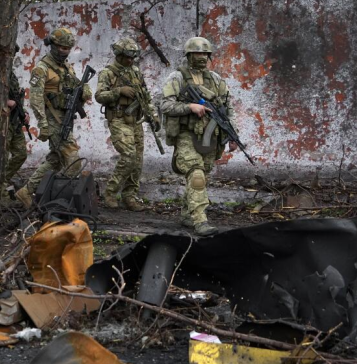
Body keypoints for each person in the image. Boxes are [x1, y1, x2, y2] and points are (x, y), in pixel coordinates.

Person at [160, 37, 238, 236]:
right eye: (197, 53)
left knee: (204, 172)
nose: (201, 57)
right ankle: (200, 221)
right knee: (196, 174)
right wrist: (189, 107)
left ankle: (188, 214)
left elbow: (228, 109)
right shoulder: (177, 77)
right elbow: (165, 105)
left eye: (204, 54)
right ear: (189, 55)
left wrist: (232, 135)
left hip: (210, 136)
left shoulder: (216, 79)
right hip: (187, 134)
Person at [15, 28, 92, 208]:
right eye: (61, 47)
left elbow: (77, 85)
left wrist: (84, 90)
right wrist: (43, 124)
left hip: (66, 117)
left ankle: (26, 191)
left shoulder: (66, 67)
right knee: (72, 160)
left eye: (68, 48)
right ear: (53, 46)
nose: (64, 51)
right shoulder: (41, 69)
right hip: (53, 121)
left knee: (55, 161)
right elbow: (35, 99)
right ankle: (63, 198)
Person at [94, 38, 155, 212]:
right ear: (119, 55)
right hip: (118, 119)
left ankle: (130, 196)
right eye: (127, 57)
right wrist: (118, 91)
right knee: (128, 155)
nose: (130, 61)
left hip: (135, 120)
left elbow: (146, 96)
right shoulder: (108, 73)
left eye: (132, 57)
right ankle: (110, 193)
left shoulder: (135, 71)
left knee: (137, 160)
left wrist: (153, 115)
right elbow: (99, 96)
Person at [3, 47, 29, 192]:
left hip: (15, 121)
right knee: (2, 157)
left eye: (12, 54)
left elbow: (17, 99)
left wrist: (24, 113)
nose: (11, 57)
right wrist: (5, 101)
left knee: (21, 154)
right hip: (3, 122)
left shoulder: (10, 74)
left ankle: (3, 179)